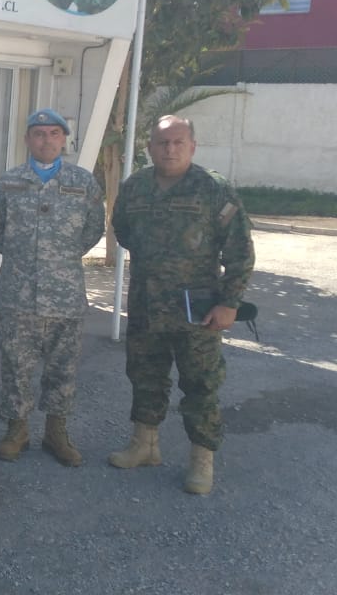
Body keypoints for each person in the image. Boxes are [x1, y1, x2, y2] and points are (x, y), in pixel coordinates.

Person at [108, 115, 255, 495]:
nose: (170, 149)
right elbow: (123, 230)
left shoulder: (213, 189)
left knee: (201, 384)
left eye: (178, 142)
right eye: (162, 143)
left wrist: (229, 303)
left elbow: (240, 251)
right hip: (147, 305)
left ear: (192, 146)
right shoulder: (135, 187)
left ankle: (202, 460)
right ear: (150, 148)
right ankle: (144, 444)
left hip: (198, 311)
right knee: (144, 375)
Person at [0, 108, 105, 466]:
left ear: (63, 139)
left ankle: (56, 431)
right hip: (17, 293)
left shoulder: (83, 182)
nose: (46, 140)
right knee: (15, 366)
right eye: (38, 133)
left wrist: (57, 258)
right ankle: (16, 430)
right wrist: (24, 256)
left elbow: (94, 228)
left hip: (65, 294)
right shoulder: (9, 183)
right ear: (27, 140)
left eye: (53, 133)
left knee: (63, 368)